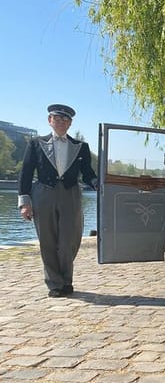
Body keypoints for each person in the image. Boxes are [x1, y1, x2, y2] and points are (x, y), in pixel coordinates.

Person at [18, 104, 98, 298]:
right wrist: (24, 202)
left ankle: (66, 279)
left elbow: (87, 173)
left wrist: (99, 183)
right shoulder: (36, 143)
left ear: (70, 123)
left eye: (66, 120)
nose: (62, 122)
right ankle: (55, 284)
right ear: (50, 120)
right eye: (58, 118)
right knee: (47, 240)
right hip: (43, 194)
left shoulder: (81, 146)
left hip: (70, 194)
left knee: (69, 240)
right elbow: (26, 172)